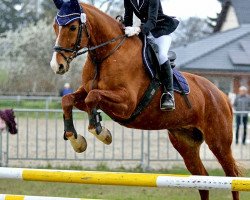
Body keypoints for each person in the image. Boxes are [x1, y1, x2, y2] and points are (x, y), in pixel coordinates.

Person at [123, 0, 179, 111]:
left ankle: (169, 94)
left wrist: (137, 29)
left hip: (161, 31)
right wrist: (122, 27)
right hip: (145, 32)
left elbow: (152, 21)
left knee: (162, 55)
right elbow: (128, 18)